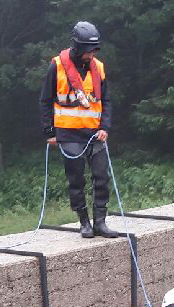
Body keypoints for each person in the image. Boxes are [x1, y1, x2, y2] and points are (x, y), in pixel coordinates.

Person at [39, 21, 117, 240]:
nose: (91, 54)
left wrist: (105, 127)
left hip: (95, 134)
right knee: (76, 180)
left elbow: (107, 100)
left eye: (94, 50)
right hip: (68, 134)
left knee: (102, 177)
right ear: (76, 47)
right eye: (87, 50)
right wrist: (49, 132)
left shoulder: (99, 67)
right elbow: (45, 101)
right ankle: (84, 222)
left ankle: (100, 222)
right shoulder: (56, 66)